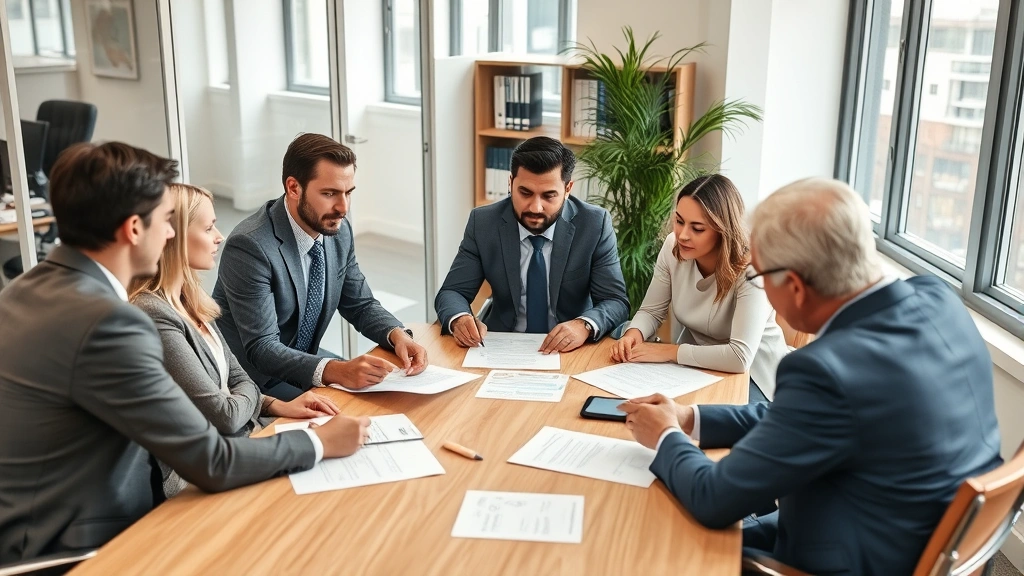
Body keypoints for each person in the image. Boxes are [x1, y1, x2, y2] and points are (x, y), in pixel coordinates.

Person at [0, 142, 370, 564]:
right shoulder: (111, 321)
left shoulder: (24, 291)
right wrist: (319, 443)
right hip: (80, 548)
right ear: (133, 229)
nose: (172, 233)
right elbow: (212, 461)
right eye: (164, 220)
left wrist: (268, 404)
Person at [619, 178, 1002, 575]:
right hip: (908, 535)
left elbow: (714, 498)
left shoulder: (825, 370)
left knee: (652, 532)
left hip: (847, 557)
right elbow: (814, 416)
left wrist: (666, 436)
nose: (761, 287)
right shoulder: (938, 299)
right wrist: (690, 418)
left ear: (796, 287)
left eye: (761, 276)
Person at [130, 183, 344, 497]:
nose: (219, 236)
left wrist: (279, 406)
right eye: (208, 227)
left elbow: (238, 379)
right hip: (200, 478)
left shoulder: (192, 301)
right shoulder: (153, 313)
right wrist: (247, 398)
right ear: (171, 236)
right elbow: (225, 415)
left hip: (244, 441)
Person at [213, 134, 427, 401]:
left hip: (303, 364)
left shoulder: (338, 231)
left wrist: (397, 335)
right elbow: (262, 348)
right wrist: (337, 371)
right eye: (329, 194)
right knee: (350, 416)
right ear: (293, 188)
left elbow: (360, 304)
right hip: (252, 381)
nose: (343, 208)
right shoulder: (250, 246)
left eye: (348, 193)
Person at [434, 136, 629, 353]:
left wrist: (584, 325)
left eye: (548, 196)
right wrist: (460, 319)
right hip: (501, 344)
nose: (535, 208)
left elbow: (615, 301)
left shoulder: (594, 225)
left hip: (571, 348)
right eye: (525, 193)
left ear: (568, 189)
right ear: (510, 183)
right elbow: (452, 291)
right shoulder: (484, 223)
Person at [610, 175, 787, 401]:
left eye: (698, 228)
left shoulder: (752, 268)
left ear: (723, 231)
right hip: (693, 368)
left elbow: (740, 357)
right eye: (679, 221)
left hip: (754, 374)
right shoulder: (673, 247)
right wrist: (634, 333)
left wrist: (669, 352)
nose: (683, 235)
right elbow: (651, 311)